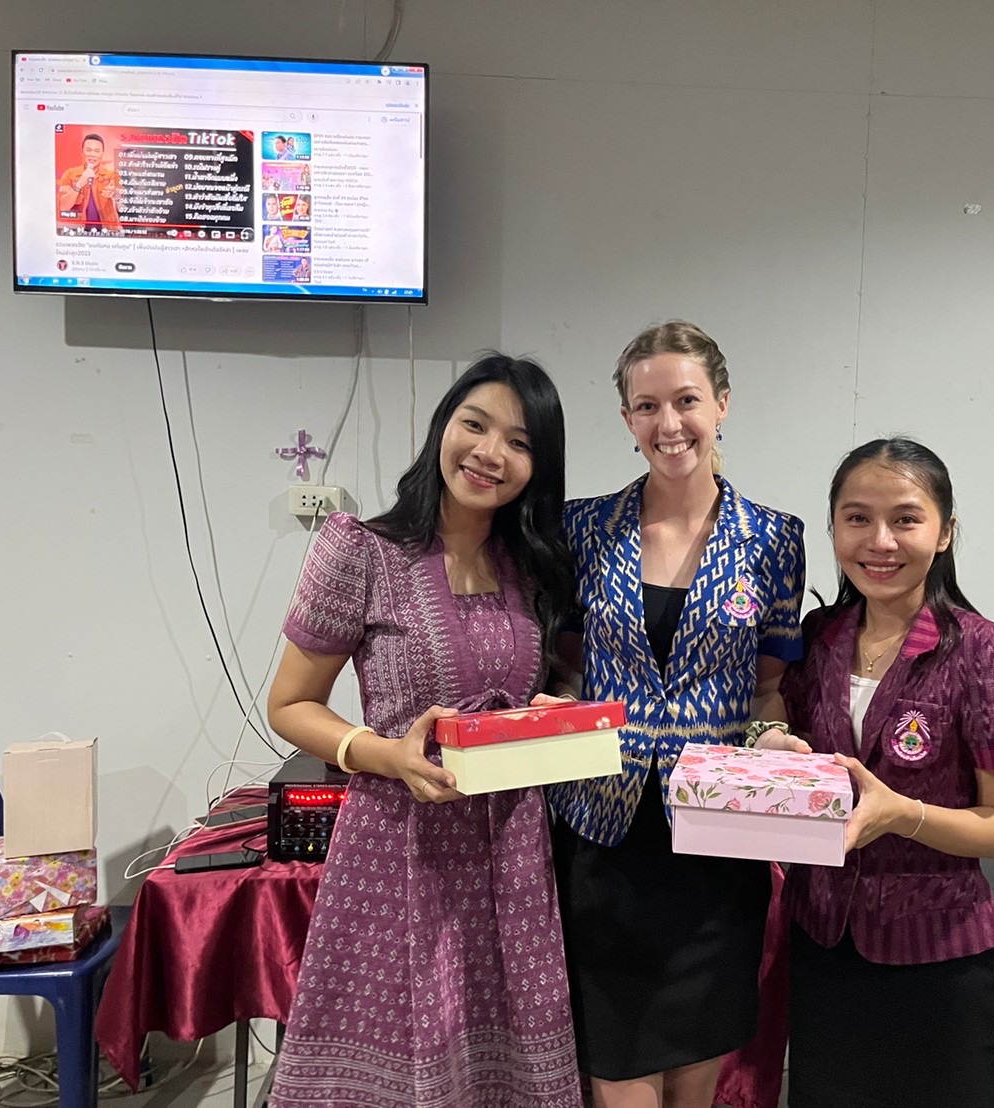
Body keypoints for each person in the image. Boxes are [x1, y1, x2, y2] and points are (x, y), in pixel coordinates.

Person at [265, 354, 582, 1108]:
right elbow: (290, 705)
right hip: (396, 850)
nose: (490, 453)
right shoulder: (360, 549)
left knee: (505, 1066)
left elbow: (562, 679)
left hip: (511, 851)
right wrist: (383, 754)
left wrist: (557, 705)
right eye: (475, 425)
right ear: (444, 426)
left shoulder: (535, 565)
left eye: (519, 442)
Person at [547, 321, 806, 1108]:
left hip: (715, 848)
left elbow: (765, 690)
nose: (669, 423)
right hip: (602, 835)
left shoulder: (773, 540)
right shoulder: (581, 529)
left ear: (722, 404)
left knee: (696, 1076)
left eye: (687, 400)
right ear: (626, 418)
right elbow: (565, 667)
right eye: (647, 405)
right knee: (617, 1073)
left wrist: (772, 739)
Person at [779, 438, 994, 1108]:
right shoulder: (817, 639)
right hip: (821, 938)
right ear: (834, 527)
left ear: (945, 531)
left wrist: (903, 815)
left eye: (906, 519)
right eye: (857, 518)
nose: (880, 541)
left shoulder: (988, 652)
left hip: (937, 951)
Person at [56, 133, 120, 230]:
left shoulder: (112, 175)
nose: (92, 154)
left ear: (102, 153)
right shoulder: (69, 174)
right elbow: (63, 206)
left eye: (97, 151)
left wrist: (114, 194)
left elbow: (122, 196)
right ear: (82, 152)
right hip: (78, 232)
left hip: (107, 231)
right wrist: (80, 183)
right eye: (88, 150)